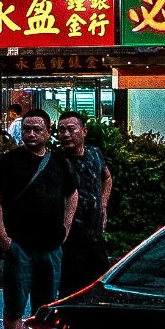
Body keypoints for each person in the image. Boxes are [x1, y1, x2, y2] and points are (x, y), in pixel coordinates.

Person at [0, 107, 77, 329]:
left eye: (37, 129)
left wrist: (66, 226)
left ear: (48, 132)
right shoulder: (8, 162)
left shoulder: (59, 161)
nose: (31, 134)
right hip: (19, 246)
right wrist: (3, 237)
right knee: (14, 306)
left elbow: (72, 194)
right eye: (26, 129)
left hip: (51, 246)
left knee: (46, 307)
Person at [54, 110, 112, 293]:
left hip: (94, 234)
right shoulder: (55, 159)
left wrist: (103, 204)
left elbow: (107, 178)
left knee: (100, 285)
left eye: (71, 129)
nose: (66, 134)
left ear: (84, 131)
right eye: (61, 130)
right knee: (69, 289)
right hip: (68, 237)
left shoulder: (95, 154)